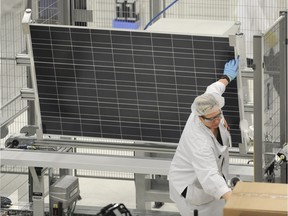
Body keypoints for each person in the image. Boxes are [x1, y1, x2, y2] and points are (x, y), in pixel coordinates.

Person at [168, 58, 239, 216]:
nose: (217, 121)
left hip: (211, 185)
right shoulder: (199, 142)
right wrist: (231, 198)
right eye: (211, 119)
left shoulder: (209, 103)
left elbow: (214, 89)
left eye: (218, 115)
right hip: (193, 189)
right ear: (199, 117)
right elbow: (209, 176)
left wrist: (227, 76)